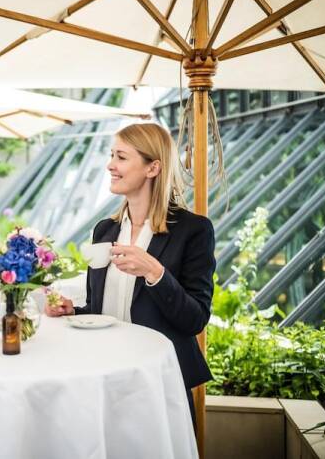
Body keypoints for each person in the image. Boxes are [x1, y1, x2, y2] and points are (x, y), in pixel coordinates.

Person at [46, 122, 215, 427]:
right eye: (111, 155)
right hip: (104, 374)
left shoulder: (193, 231)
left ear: (153, 168)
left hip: (158, 381)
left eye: (121, 157)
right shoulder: (105, 230)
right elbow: (102, 310)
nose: (110, 165)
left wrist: (155, 273)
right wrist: (73, 312)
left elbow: (195, 319)